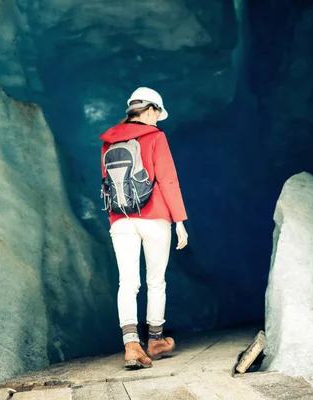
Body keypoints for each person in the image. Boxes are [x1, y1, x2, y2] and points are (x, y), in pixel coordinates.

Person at [99, 87, 189, 369]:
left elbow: (107, 184)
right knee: (155, 281)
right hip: (155, 217)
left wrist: (118, 216)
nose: (158, 120)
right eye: (157, 114)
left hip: (120, 219)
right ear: (149, 110)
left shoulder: (108, 141)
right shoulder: (155, 137)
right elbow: (167, 180)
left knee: (127, 282)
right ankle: (156, 340)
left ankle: (131, 346)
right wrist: (180, 222)